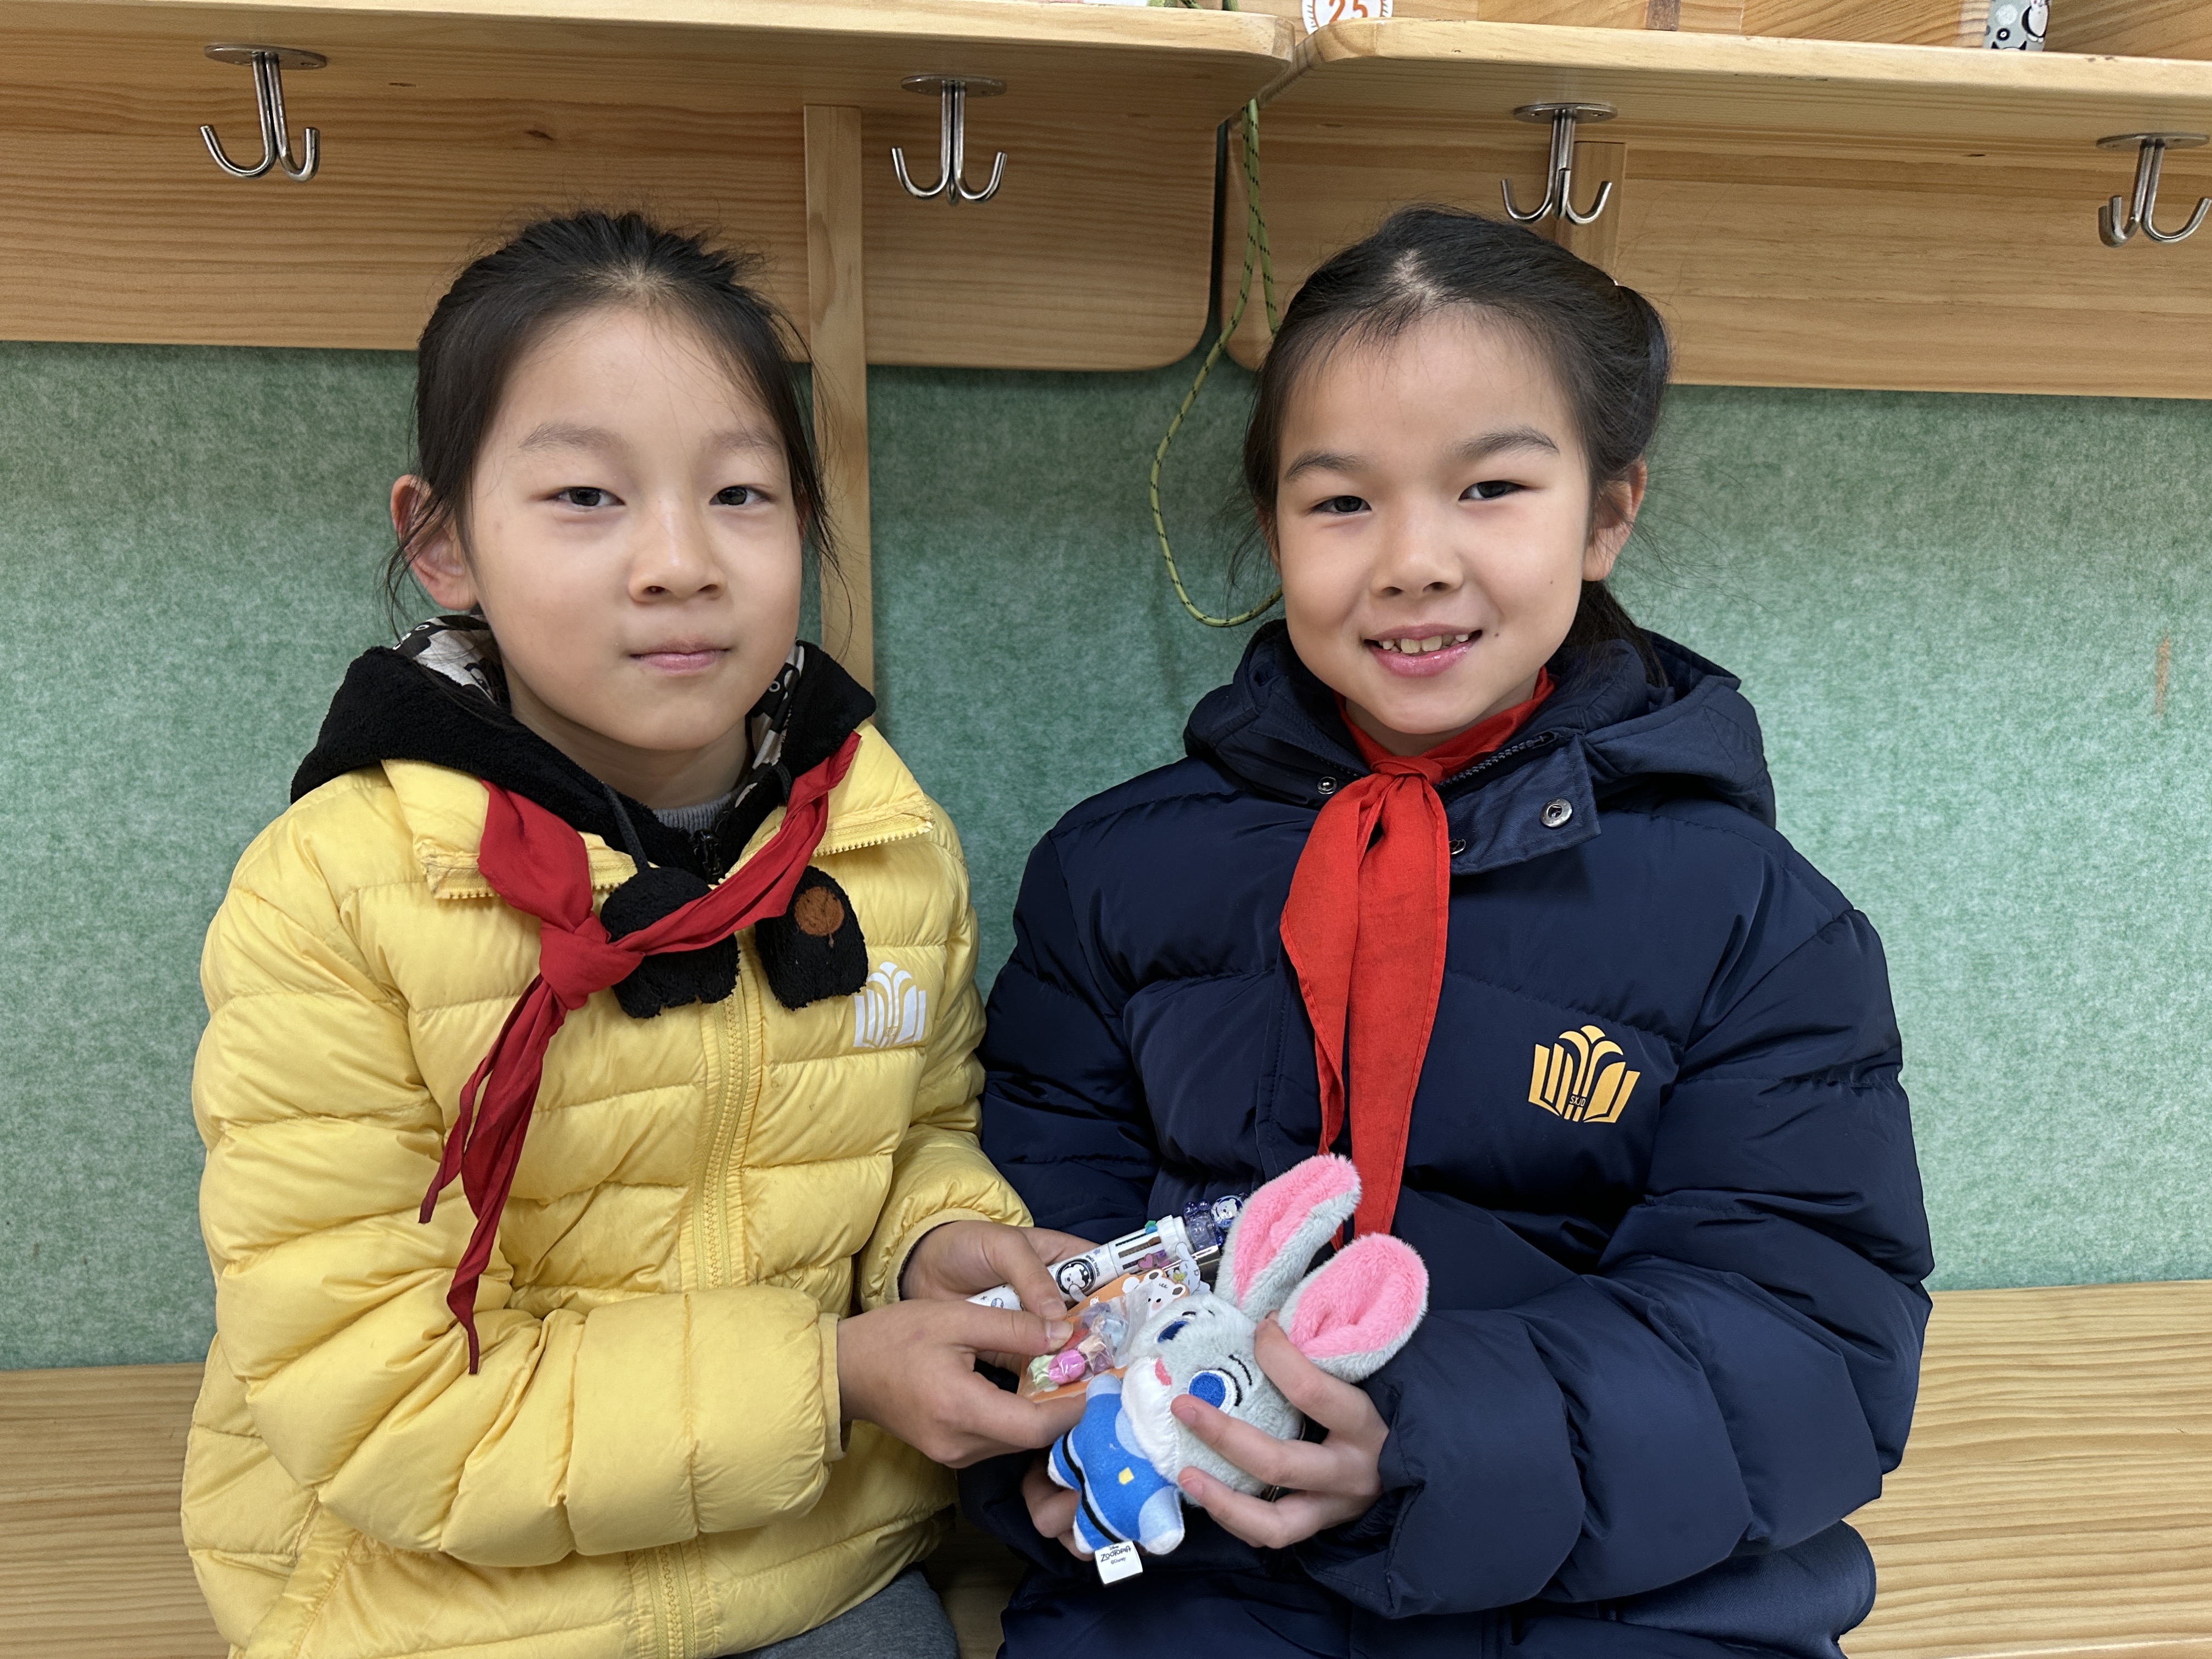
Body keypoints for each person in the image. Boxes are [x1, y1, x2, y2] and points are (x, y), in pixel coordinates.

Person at [962, 206, 1933, 1659]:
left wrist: (1423, 1442)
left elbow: (1807, 1341)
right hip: (1201, 1562)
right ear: (1274, 528)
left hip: (1623, 1584)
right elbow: (1039, 1230)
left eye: (1489, 488)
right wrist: (1054, 1428)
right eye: (1340, 503)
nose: (1413, 561)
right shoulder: (1113, 874)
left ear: (1607, 513)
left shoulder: (1759, 922)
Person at [183, 211, 1087, 1659]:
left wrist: (937, 1244)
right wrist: (830, 1378)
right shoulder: (337, 890)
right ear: (442, 543)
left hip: (816, 1555)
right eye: (587, 497)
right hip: (432, 1594)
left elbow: (910, 1128)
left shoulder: (880, 832)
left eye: (740, 493)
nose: (680, 562)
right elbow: (380, 1400)